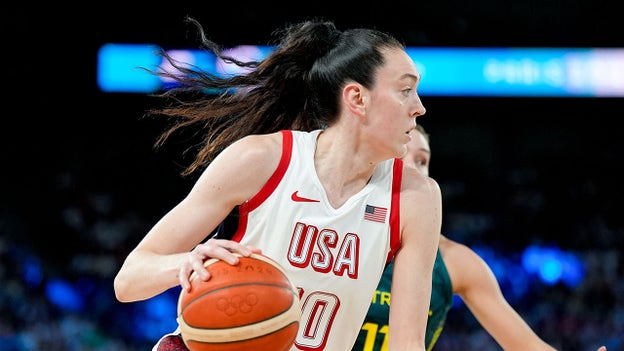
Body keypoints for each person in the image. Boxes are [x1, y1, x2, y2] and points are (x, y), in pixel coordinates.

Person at [113, 17, 442, 351]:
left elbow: (408, 343)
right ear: (357, 98)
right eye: (405, 90)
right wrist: (185, 263)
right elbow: (129, 281)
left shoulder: (418, 197)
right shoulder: (261, 160)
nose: (419, 107)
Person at [353, 125, 607, 351]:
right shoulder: (340, 235)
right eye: (400, 155)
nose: (412, 168)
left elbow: (526, 345)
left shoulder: (454, 261)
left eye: (421, 160)